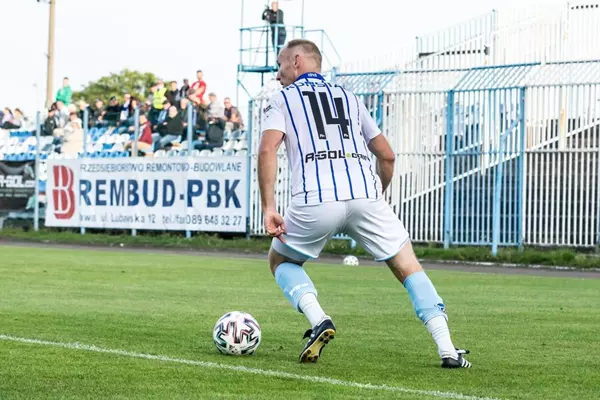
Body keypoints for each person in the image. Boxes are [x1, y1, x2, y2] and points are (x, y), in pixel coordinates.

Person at [257, 39, 471, 368]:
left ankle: (318, 319)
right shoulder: (351, 98)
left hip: (316, 198)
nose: (277, 73)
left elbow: (267, 149)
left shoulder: (282, 99)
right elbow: (387, 155)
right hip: (366, 195)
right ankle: (447, 348)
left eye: (280, 64)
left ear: (297, 61)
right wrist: (377, 193)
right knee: (408, 266)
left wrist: (269, 207)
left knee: (281, 261)